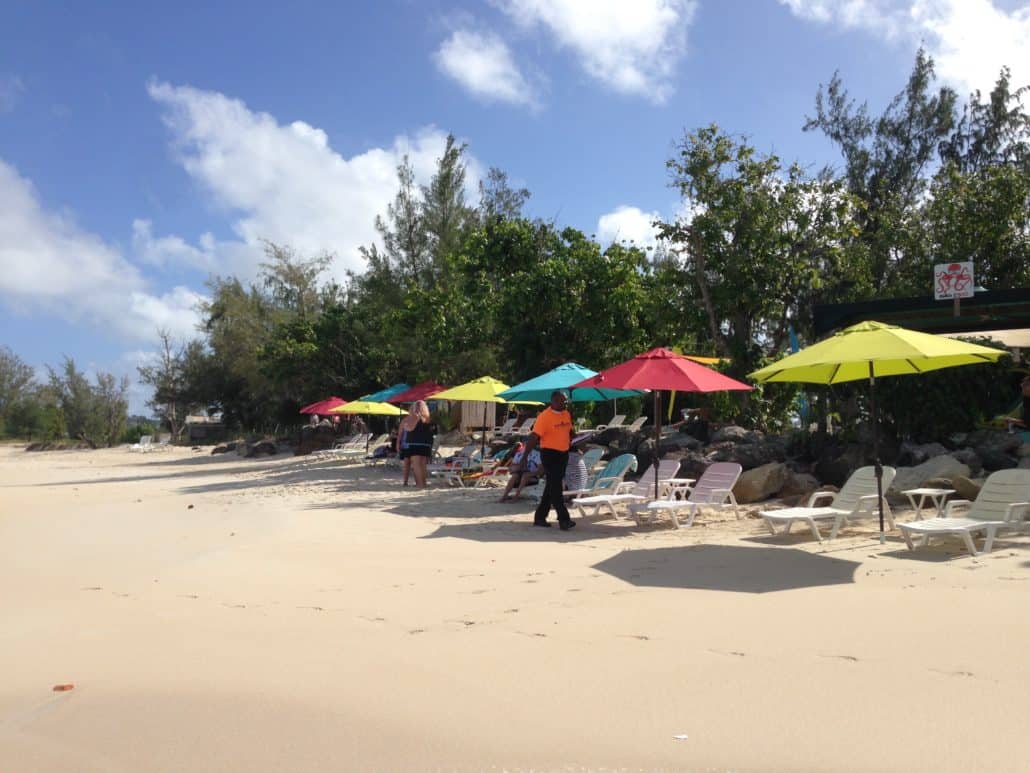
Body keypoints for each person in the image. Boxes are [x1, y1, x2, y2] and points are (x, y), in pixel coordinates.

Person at [522, 390, 576, 530]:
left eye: (564, 400)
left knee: (551, 486)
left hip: (563, 454)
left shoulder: (567, 414)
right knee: (556, 487)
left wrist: (577, 437)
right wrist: (524, 456)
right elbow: (534, 437)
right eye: (560, 400)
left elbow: (569, 431)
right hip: (549, 454)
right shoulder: (544, 417)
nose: (563, 403)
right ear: (552, 401)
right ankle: (564, 519)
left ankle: (540, 517)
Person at [398, 400, 434, 488]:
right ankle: (423, 483)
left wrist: (407, 426)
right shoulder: (429, 418)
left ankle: (420, 484)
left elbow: (411, 429)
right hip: (426, 444)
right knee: (423, 465)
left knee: (416, 465)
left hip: (414, 443)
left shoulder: (415, 417)